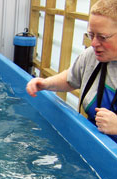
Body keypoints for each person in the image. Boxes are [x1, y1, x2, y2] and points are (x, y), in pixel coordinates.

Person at [26, 0, 117, 142]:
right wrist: (45, 84)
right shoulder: (92, 56)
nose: (93, 44)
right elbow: (71, 78)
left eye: (102, 37)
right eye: (91, 35)